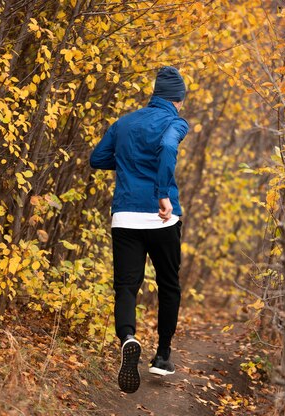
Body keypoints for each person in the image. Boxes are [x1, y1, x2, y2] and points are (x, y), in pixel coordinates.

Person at [89, 66, 189, 394]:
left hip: (126, 216)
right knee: (169, 285)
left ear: (153, 94)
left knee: (127, 286)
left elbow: (98, 158)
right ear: (178, 99)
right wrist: (162, 194)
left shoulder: (125, 122)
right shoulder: (175, 122)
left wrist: (129, 164)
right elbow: (169, 150)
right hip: (162, 218)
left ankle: (128, 337)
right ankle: (162, 357)